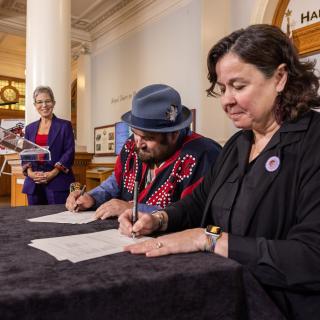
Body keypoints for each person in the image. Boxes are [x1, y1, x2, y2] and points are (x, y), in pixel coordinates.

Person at [119, 25, 320, 320]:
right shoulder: (238, 144)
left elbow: (311, 257)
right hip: (228, 296)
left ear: (279, 78)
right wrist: (159, 219)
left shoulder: (313, 143)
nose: (226, 100)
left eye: (238, 86)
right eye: (222, 88)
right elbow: (200, 201)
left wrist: (208, 238)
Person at [66, 84, 221, 219]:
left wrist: (134, 209)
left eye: (148, 137)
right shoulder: (132, 144)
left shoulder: (203, 155)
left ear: (174, 134)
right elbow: (117, 182)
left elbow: (197, 213)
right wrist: (91, 197)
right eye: (135, 133)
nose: (138, 143)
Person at [22, 86, 75, 204]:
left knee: (57, 219)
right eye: (39, 102)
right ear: (35, 105)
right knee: (34, 219)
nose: (44, 105)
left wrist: (52, 173)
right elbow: (26, 154)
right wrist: (30, 173)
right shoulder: (29, 129)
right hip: (33, 182)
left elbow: (69, 152)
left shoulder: (65, 125)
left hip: (57, 180)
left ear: (53, 103)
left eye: (48, 101)